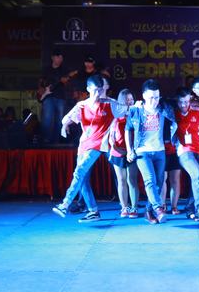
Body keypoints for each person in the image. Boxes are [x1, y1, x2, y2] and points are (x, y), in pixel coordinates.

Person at [51, 74, 126, 223]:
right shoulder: (82, 105)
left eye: (100, 90)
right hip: (84, 144)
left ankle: (65, 204)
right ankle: (93, 211)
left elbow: (129, 110)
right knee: (83, 179)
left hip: (99, 144)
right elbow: (66, 119)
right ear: (88, 89)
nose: (98, 93)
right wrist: (65, 125)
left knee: (79, 171)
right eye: (95, 90)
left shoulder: (110, 104)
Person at [125, 79, 178, 224]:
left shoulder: (164, 108)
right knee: (150, 180)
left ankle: (148, 211)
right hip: (142, 151)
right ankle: (158, 208)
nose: (154, 101)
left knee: (159, 183)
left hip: (160, 150)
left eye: (156, 97)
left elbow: (181, 102)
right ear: (143, 96)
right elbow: (128, 129)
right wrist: (129, 150)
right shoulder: (136, 110)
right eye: (151, 98)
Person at [169, 87, 199, 221]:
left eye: (186, 102)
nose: (184, 105)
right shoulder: (172, 113)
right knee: (197, 175)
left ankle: (190, 208)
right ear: (176, 101)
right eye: (181, 102)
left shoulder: (197, 111)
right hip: (184, 150)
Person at [109, 88, 139, 218]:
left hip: (132, 152)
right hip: (118, 153)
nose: (130, 102)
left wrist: (131, 151)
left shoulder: (137, 115)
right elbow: (111, 138)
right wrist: (116, 148)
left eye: (132, 99)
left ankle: (134, 207)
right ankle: (124, 207)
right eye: (127, 100)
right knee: (121, 180)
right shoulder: (116, 118)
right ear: (121, 102)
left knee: (132, 180)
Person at [39, 47, 72, 145]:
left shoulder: (64, 70)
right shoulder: (47, 69)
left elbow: (68, 83)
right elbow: (41, 82)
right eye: (58, 57)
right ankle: (46, 140)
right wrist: (42, 90)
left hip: (60, 97)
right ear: (53, 57)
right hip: (48, 96)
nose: (60, 59)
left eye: (61, 57)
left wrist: (65, 82)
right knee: (47, 118)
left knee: (59, 120)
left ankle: (56, 141)